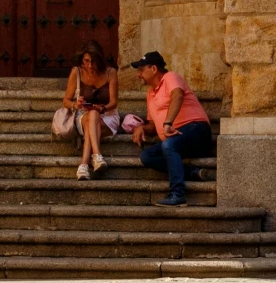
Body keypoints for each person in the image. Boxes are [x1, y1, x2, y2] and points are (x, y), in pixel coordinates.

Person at [127, 50, 212, 206]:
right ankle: (192, 172)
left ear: (153, 69)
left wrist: (168, 123)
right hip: (176, 140)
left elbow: (177, 96)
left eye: (141, 69)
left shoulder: (170, 77)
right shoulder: (150, 94)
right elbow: (153, 125)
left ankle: (177, 194)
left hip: (197, 130)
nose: (138, 74)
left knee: (168, 144)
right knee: (147, 156)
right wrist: (142, 128)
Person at [57, 41, 117, 178]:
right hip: (83, 115)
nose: (89, 65)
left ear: (100, 59)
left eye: (93, 61)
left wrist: (102, 108)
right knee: (91, 115)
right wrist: (75, 105)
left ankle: (84, 164)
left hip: (107, 115)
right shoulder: (77, 71)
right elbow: (66, 100)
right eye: (86, 61)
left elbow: (114, 102)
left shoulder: (110, 73)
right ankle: (97, 156)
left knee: (93, 115)